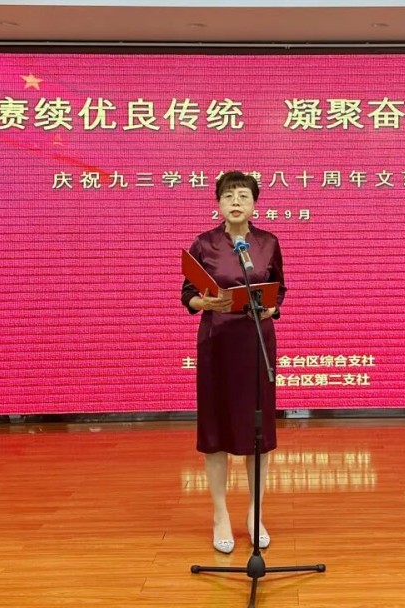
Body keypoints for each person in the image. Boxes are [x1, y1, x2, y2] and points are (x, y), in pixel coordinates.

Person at [181, 171, 287, 554]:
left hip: (256, 344)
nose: (236, 202)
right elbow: (188, 294)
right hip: (218, 344)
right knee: (217, 431)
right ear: (218, 204)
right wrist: (204, 302)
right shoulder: (204, 243)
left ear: (255, 203)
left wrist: (272, 307)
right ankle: (220, 514)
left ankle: (255, 513)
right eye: (228, 196)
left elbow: (279, 289)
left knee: (258, 434)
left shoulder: (267, 242)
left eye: (243, 195)